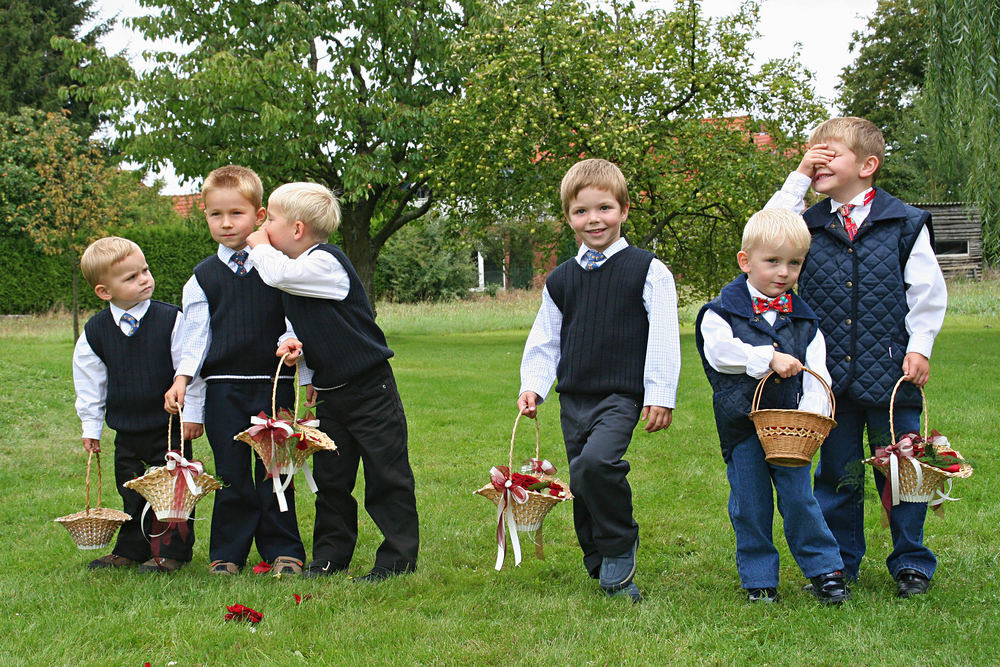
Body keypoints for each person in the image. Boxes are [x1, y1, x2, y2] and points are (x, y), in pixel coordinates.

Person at [766, 116, 948, 598]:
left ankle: (911, 562)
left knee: (905, 469)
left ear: (868, 165)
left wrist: (920, 348)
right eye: (813, 152)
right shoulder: (806, 224)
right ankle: (840, 562)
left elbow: (927, 292)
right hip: (829, 377)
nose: (819, 158)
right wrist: (799, 177)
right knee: (837, 474)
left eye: (830, 153)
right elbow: (765, 231)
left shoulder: (905, 222)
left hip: (892, 373)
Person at [516, 158, 681, 603]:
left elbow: (665, 337)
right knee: (583, 480)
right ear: (569, 217)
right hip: (575, 397)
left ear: (624, 210)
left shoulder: (647, 270)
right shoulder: (561, 279)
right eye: (582, 211)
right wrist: (532, 385)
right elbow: (546, 342)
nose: (595, 220)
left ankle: (618, 545)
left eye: (605, 208)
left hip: (620, 395)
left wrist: (661, 395)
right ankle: (598, 560)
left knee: (596, 465)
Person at [245, 181, 419, 582]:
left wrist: (258, 245)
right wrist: (295, 352)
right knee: (331, 481)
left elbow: (274, 275)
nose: (265, 227)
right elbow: (298, 325)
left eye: (270, 219)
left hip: (370, 389)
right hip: (330, 394)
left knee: (386, 476)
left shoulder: (324, 262)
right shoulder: (295, 277)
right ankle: (329, 556)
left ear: (298, 230)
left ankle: (397, 560)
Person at [695, 209, 849, 604]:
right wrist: (767, 357)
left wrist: (812, 415)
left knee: (801, 499)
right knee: (750, 503)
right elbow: (720, 353)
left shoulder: (805, 321)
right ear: (746, 261)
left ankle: (825, 571)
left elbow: (819, 373)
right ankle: (760, 579)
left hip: (791, 431)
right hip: (741, 426)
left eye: (794, 263)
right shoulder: (720, 312)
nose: (784, 272)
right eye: (773, 261)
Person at [164, 166, 306, 577]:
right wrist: (183, 381)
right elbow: (194, 338)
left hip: (273, 386)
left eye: (237, 214)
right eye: (215, 215)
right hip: (224, 391)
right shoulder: (201, 279)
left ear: (259, 215)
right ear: (205, 216)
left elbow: (294, 316)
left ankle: (283, 549)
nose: (226, 223)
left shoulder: (277, 266)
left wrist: (292, 343)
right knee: (230, 474)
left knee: (276, 471)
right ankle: (227, 552)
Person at [73, 236, 205, 573]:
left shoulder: (170, 320)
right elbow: (90, 384)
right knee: (131, 490)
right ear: (105, 291)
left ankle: (171, 551)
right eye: (131, 277)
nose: (144, 279)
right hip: (127, 429)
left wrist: (192, 413)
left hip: (169, 429)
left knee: (173, 492)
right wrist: (91, 428)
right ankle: (131, 548)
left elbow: (191, 369)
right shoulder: (96, 331)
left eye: (145, 271)